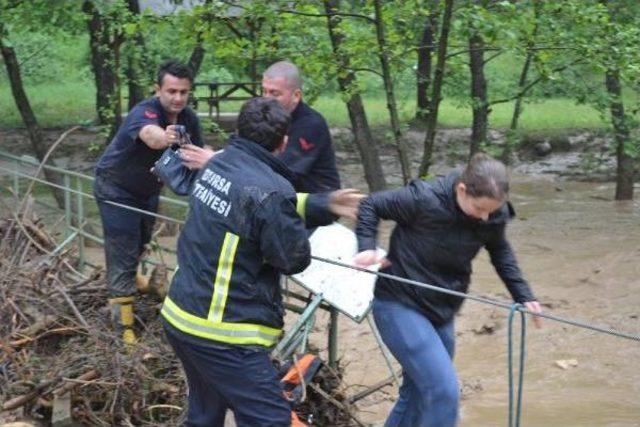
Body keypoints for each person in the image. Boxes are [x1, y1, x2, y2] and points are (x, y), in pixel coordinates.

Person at [160, 97, 361, 426]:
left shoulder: (215, 166)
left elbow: (255, 202)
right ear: (283, 144)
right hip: (224, 334)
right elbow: (293, 258)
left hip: (182, 318)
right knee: (270, 420)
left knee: (205, 416)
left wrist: (325, 204)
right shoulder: (271, 190)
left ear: (238, 130)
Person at [354, 153, 542, 427]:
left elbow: (500, 251)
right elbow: (371, 204)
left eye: (492, 210)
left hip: (442, 308)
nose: (485, 217)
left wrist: (523, 295)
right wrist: (366, 246)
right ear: (462, 190)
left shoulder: (493, 213)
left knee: (419, 392)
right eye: (479, 208)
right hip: (398, 302)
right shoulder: (423, 199)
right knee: (444, 391)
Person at [93, 60, 203, 344]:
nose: (177, 98)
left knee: (140, 243)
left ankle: (131, 282)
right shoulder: (145, 111)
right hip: (115, 187)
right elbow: (150, 136)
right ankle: (123, 330)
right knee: (124, 247)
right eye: (171, 91)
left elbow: (197, 155)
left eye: (183, 92)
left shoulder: (189, 118)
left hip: (147, 190)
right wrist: (165, 136)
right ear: (158, 90)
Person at [262, 60, 340, 193]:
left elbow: (284, 172)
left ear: (296, 95)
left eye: (275, 94)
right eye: (264, 91)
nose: (266, 99)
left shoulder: (311, 125)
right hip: (284, 196)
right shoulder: (266, 115)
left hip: (318, 202)